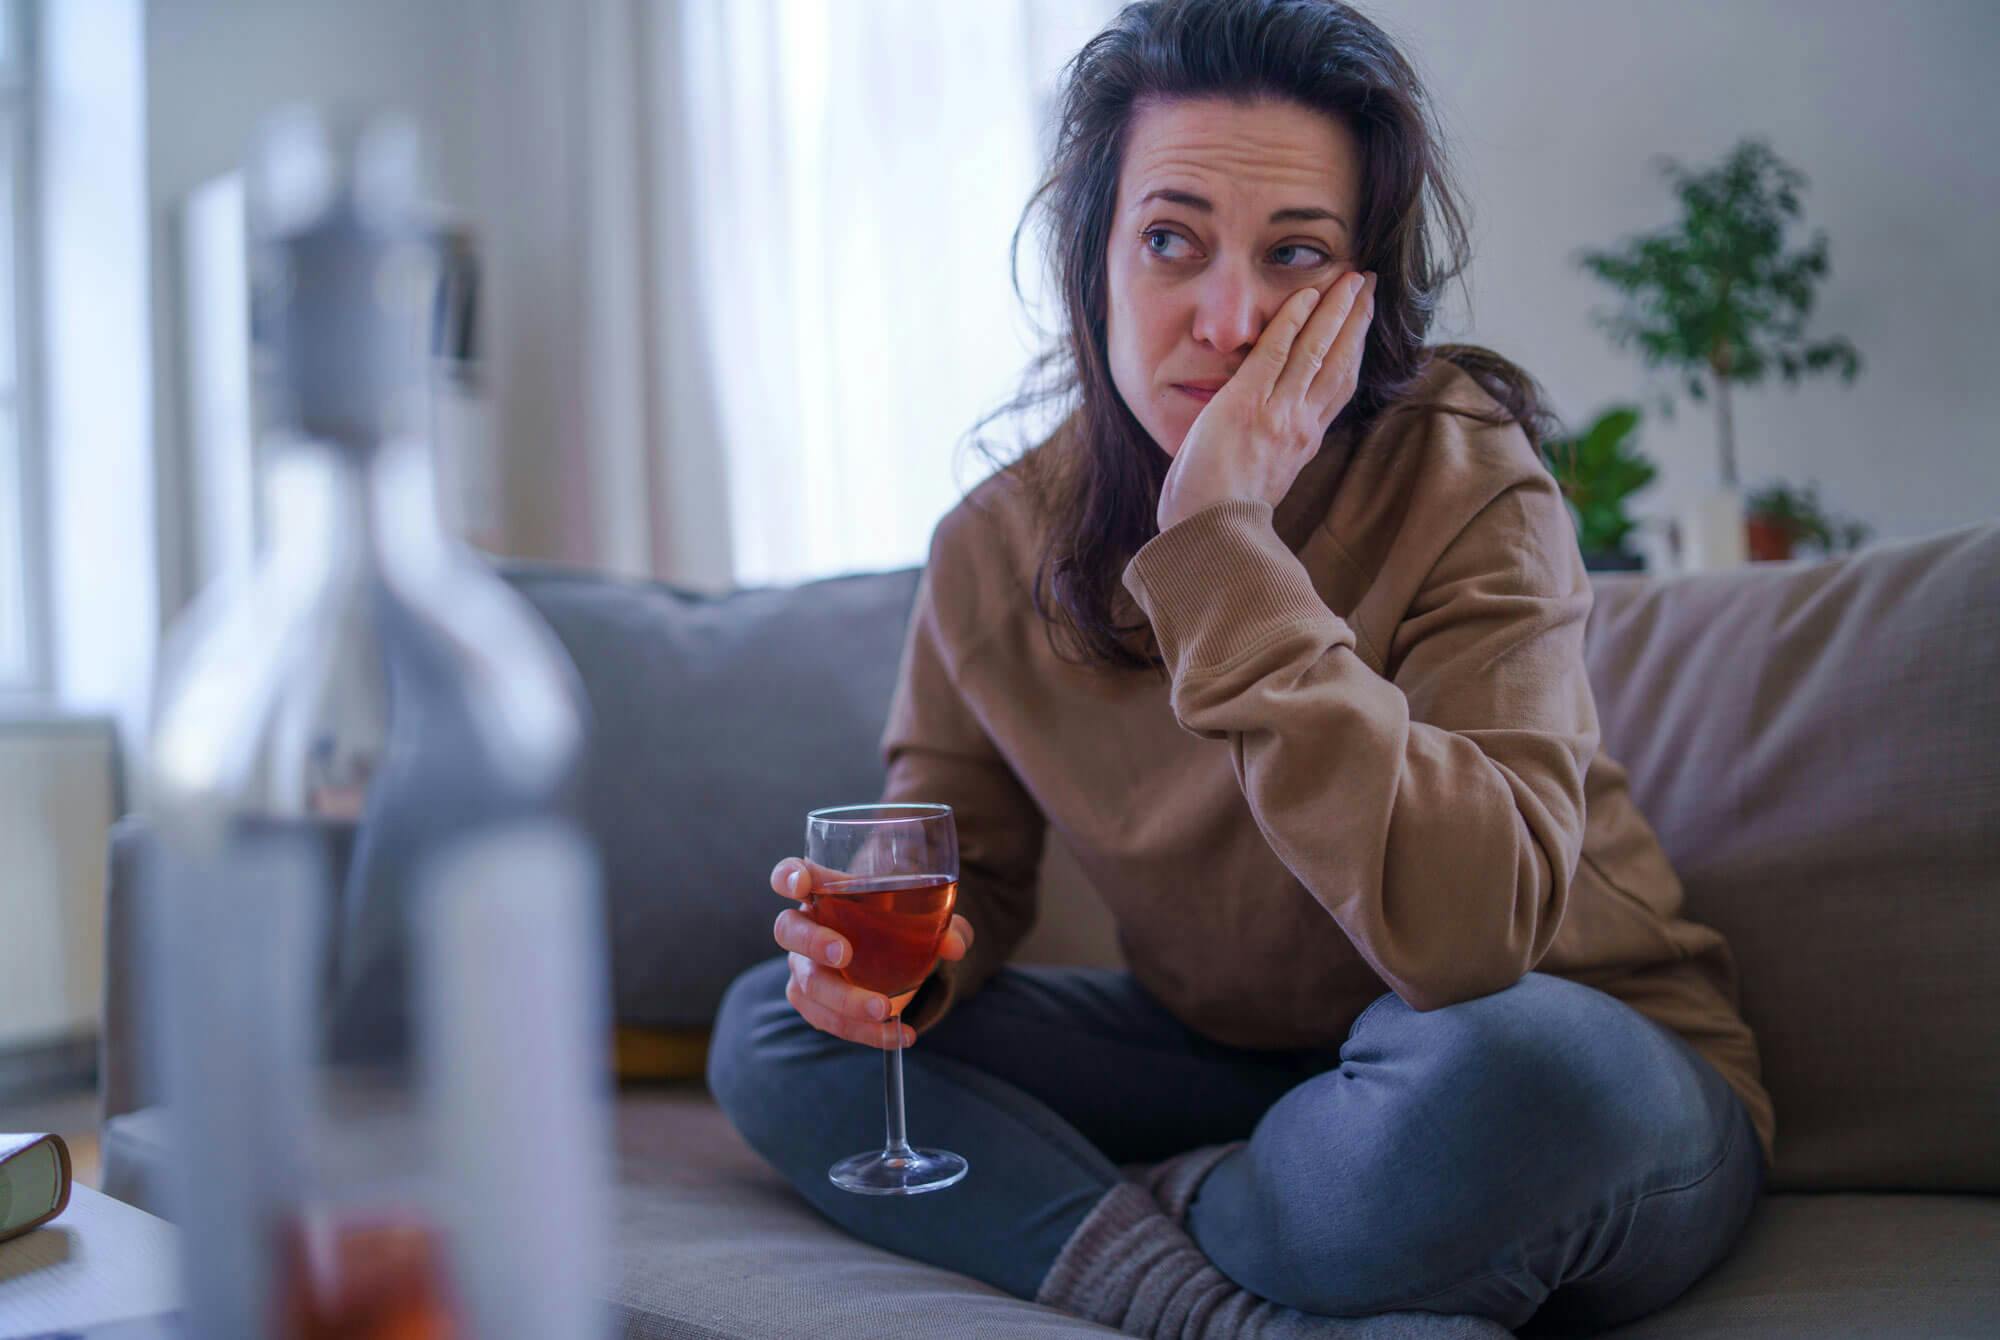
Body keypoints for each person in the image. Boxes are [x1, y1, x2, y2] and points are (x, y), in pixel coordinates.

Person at [709, 1, 1770, 1335]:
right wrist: (890, 972)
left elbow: (1466, 939)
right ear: (1089, 258)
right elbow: (964, 874)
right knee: (778, 1029)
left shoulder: (1462, 471)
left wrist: (1220, 545)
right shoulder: (991, 549)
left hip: (1542, 1046)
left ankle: (1222, 1206)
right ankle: (1215, 1298)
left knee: (1510, 1090)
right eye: (1171, 240)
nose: (1229, 316)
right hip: (1238, 1067)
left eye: (1295, 254)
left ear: (1362, 288)